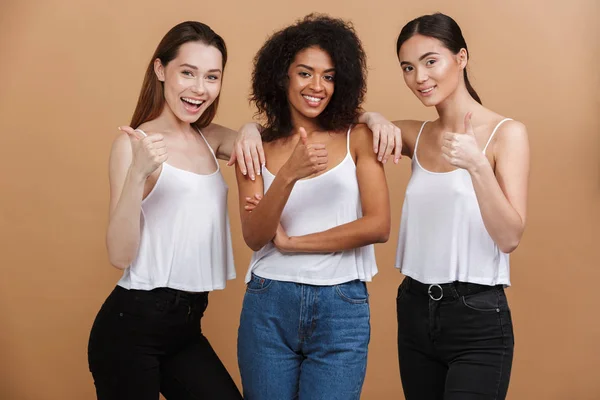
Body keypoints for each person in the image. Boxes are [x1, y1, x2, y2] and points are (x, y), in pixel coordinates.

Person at [87, 21, 264, 400]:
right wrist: (137, 175)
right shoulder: (133, 144)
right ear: (160, 69)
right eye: (188, 72)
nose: (200, 89)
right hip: (131, 328)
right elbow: (119, 255)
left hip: (185, 328)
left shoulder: (208, 137)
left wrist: (249, 127)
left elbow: (268, 148)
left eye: (212, 77)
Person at [363, 12, 529, 400]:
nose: (419, 77)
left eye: (430, 61)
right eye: (408, 67)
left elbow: (509, 237)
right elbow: (343, 122)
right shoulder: (415, 134)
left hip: (477, 317)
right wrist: (374, 118)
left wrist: (476, 166)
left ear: (461, 58)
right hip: (416, 310)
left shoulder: (507, 134)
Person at [235, 14, 391, 400]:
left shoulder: (359, 137)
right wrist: (288, 174)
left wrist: (292, 243)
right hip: (269, 304)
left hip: (342, 306)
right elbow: (255, 237)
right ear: (282, 76)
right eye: (305, 73)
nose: (317, 86)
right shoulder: (256, 147)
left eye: (330, 76)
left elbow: (379, 225)